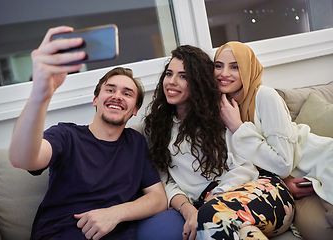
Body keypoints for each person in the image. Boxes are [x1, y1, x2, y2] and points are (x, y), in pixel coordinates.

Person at [8, 26, 167, 240]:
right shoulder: (66, 135)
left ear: (135, 110)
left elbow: (158, 199)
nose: (117, 96)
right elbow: (22, 159)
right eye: (110, 89)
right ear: (95, 100)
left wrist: (115, 213)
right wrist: (41, 94)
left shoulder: (135, 142)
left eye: (127, 93)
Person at [142, 45, 294, 240]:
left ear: (198, 81)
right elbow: (166, 179)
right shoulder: (156, 126)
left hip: (261, 193)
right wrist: (188, 209)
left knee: (211, 219)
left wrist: (212, 202)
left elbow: (245, 167)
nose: (172, 82)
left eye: (183, 76)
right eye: (169, 74)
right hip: (221, 212)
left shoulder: (220, 113)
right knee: (240, 233)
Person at [209, 41, 333, 239]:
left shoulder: (265, 96)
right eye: (218, 65)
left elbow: (283, 163)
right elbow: (245, 166)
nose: (224, 73)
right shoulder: (224, 107)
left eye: (235, 66)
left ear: (249, 68)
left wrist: (238, 128)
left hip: (321, 161)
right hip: (297, 183)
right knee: (317, 230)